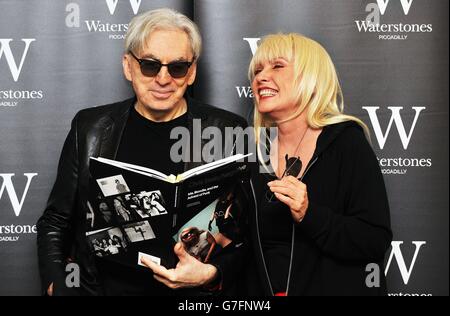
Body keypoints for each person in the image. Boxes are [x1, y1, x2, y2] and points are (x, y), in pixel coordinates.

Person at [36, 8, 248, 296]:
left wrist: (210, 273)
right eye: (149, 65)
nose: (163, 79)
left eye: (177, 67)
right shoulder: (90, 128)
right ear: (128, 66)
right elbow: (56, 220)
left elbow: (245, 235)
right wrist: (56, 285)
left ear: (192, 72)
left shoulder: (227, 131)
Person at [244, 33, 392, 296]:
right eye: (258, 69)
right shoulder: (253, 154)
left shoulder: (346, 142)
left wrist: (308, 214)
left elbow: (374, 240)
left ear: (310, 77)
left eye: (277, 66)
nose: (260, 77)